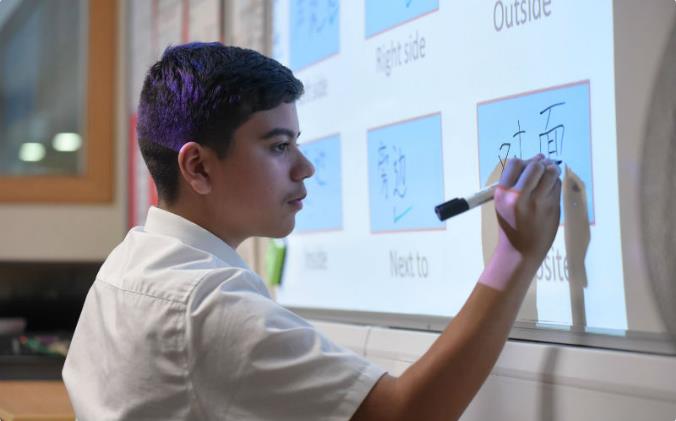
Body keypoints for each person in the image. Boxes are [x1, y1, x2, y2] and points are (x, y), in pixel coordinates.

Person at [63, 42, 561, 421]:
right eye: (279, 147)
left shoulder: (127, 265)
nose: (305, 168)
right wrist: (515, 257)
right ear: (198, 167)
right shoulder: (208, 306)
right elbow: (405, 414)